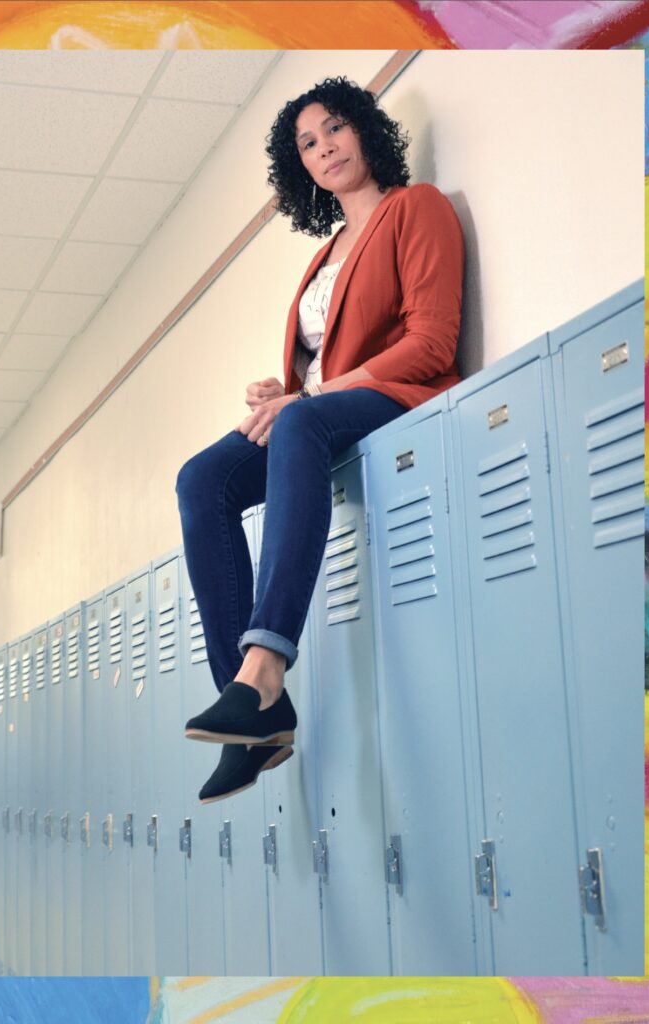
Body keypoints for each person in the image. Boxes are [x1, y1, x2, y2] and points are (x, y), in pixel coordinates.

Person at [176, 77, 465, 803]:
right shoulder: (325, 253)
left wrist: (314, 395)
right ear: (299, 166)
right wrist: (289, 389)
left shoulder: (413, 209)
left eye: (334, 128)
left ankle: (265, 664)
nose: (325, 146)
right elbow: (319, 370)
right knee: (202, 479)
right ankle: (255, 716)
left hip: (400, 397)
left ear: (366, 130)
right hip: (322, 408)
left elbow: (432, 342)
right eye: (308, 143)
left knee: (301, 420)